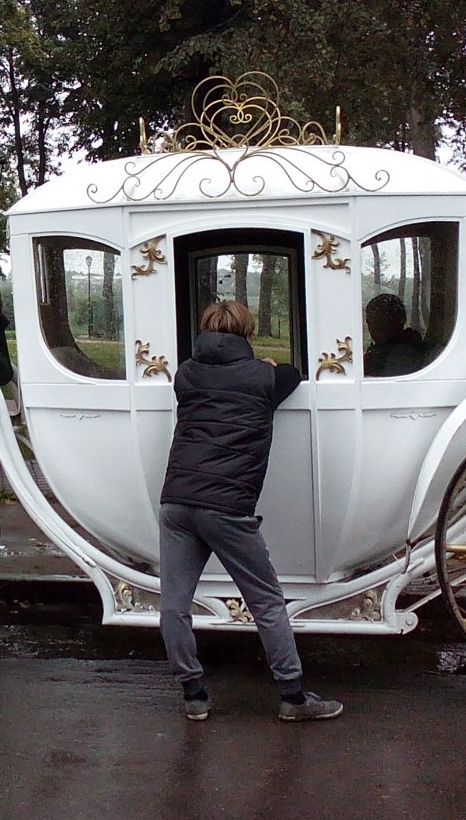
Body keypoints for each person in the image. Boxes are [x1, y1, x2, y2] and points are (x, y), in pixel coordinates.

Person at [158, 300, 343, 723]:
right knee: (266, 601)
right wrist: (268, 364)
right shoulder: (265, 377)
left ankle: (193, 694)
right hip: (227, 506)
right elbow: (292, 376)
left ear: (204, 328)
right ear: (248, 330)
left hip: (177, 500)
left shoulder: (185, 374)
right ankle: (293, 697)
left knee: (175, 604)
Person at [363, 292, 428, 377]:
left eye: (378, 320)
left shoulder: (403, 355)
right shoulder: (381, 350)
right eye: (370, 321)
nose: (371, 327)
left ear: (396, 320)